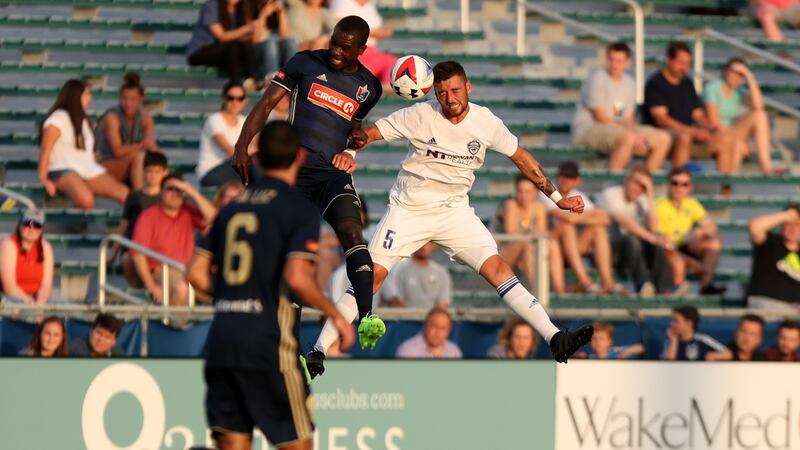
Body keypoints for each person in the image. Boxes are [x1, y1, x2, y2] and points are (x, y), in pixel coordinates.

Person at [308, 60, 593, 378]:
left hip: (454, 211)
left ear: (468, 87)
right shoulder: (419, 115)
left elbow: (521, 158)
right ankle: (319, 349)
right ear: (433, 92)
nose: (450, 98)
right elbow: (368, 134)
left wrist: (557, 198)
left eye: (456, 90)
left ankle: (555, 337)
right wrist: (351, 152)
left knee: (499, 269)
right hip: (409, 210)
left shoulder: (486, 122)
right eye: (442, 92)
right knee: (370, 278)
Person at [186, 121, 355, 450]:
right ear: (300, 157)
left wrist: (232, 295)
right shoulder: (298, 208)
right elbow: (296, 277)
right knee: (297, 444)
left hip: (222, 342)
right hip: (268, 345)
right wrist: (335, 316)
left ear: (259, 159)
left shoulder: (231, 208)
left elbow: (195, 273)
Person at [231, 16, 385, 351]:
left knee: (353, 233)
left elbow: (353, 132)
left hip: (331, 176)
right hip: (294, 175)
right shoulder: (305, 62)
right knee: (294, 258)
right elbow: (266, 103)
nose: (336, 51)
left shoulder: (369, 88)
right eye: (334, 43)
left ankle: (367, 318)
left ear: (361, 50)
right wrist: (242, 145)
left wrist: (351, 150)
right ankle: (292, 347)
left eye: (345, 48)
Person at [572, 42, 671, 172]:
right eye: (611, 59)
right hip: (589, 129)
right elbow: (600, 117)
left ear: (627, 62)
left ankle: (645, 180)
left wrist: (638, 135)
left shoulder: (628, 83)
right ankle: (613, 182)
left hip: (615, 129)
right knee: (628, 138)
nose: (614, 64)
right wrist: (633, 135)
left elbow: (624, 118)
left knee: (663, 138)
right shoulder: (597, 78)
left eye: (619, 61)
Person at [643, 42, 740, 174]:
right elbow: (661, 119)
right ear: (668, 60)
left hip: (689, 132)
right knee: (684, 138)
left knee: (724, 140)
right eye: (680, 62)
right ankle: (680, 180)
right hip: (664, 133)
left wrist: (711, 129)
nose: (684, 67)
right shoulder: (656, 83)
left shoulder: (687, 83)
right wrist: (691, 131)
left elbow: (697, 114)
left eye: (687, 63)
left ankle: (726, 185)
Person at [38, 79, 129, 209]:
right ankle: (76, 221)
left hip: (87, 169)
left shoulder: (84, 120)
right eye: (86, 94)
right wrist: (44, 179)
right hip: (62, 169)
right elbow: (45, 150)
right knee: (86, 199)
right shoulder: (57, 119)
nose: (90, 99)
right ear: (75, 97)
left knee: (126, 195)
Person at [129, 175, 216, 305]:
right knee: (182, 288)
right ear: (161, 192)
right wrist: (151, 285)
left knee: (219, 288)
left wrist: (193, 192)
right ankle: (176, 319)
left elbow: (215, 219)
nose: (175, 193)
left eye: (179, 190)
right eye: (170, 188)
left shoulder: (188, 211)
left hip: (188, 269)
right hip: (162, 270)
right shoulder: (148, 215)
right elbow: (137, 253)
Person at [542, 161, 622, 295]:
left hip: (572, 247)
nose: (565, 180)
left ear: (577, 181)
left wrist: (579, 217)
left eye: (570, 177)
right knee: (566, 226)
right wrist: (586, 215)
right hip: (552, 246)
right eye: (563, 176)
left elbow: (605, 218)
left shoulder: (577, 194)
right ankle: (585, 282)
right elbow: (567, 218)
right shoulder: (548, 193)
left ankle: (608, 282)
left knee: (598, 229)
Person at [597, 166, 674, 296]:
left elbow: (654, 228)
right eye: (636, 183)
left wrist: (650, 195)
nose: (638, 189)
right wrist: (655, 239)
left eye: (643, 186)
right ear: (626, 180)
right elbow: (626, 223)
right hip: (608, 252)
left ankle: (665, 290)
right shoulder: (610, 195)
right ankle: (643, 285)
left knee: (656, 245)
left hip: (631, 251)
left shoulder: (642, 199)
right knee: (634, 240)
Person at [704, 58, 782, 175]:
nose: (736, 76)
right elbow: (714, 123)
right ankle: (727, 183)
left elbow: (758, 105)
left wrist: (749, 75)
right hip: (713, 134)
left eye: (741, 74)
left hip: (730, 133)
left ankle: (765, 165)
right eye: (734, 72)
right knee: (736, 145)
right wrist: (737, 140)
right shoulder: (713, 87)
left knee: (760, 115)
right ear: (725, 71)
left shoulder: (739, 90)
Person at [656, 168, 726, 295]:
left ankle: (705, 286)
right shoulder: (659, 205)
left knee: (714, 244)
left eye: (684, 184)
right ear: (668, 185)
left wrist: (699, 232)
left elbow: (712, 228)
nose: (679, 188)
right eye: (675, 183)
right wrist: (691, 262)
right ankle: (678, 294)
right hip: (665, 249)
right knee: (678, 262)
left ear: (690, 188)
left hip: (681, 247)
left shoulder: (691, 204)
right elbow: (663, 241)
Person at [95, 72, 160, 190]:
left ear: (140, 99)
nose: (128, 103)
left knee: (158, 160)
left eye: (132, 99)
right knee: (138, 156)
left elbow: (150, 145)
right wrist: (141, 145)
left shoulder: (146, 119)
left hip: (131, 162)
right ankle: (139, 196)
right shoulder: (112, 118)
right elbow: (117, 151)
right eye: (124, 99)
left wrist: (152, 148)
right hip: (104, 165)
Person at [197, 82, 258, 187]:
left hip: (235, 171)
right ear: (224, 99)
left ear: (245, 101)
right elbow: (230, 151)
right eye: (231, 98)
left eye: (240, 99)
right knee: (252, 161)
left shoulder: (245, 121)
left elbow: (256, 147)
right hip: (211, 172)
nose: (235, 102)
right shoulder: (215, 120)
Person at [186, 0, 258, 85]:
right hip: (200, 51)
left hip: (225, 51)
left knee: (245, 47)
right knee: (232, 47)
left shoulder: (242, 8)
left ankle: (252, 81)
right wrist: (246, 29)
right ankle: (236, 85)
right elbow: (221, 36)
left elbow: (250, 38)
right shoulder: (212, 5)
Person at [494, 175, 547, 286]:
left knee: (552, 246)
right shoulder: (510, 205)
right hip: (501, 253)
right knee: (526, 244)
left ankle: (559, 290)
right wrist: (531, 230)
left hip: (526, 250)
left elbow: (541, 233)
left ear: (536, 192)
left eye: (527, 192)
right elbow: (512, 236)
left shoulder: (539, 207)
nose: (523, 196)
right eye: (520, 191)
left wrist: (528, 231)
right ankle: (538, 290)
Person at [329, 0, 396, 86]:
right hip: (351, 50)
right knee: (362, 71)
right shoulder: (342, 2)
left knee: (392, 62)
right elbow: (342, 29)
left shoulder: (370, 7)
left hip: (371, 50)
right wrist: (372, 33)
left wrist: (383, 32)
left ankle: (386, 89)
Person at [746, 203, 800, 309]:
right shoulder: (769, 242)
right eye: (789, 224)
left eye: (797, 225)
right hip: (765, 304)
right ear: (781, 225)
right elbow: (754, 227)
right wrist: (787, 215)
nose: (793, 229)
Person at [0, 209, 54, 304]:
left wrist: (40, 303)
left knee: (64, 306)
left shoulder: (45, 247)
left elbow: (46, 285)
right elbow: (9, 288)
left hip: (36, 299)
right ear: (19, 226)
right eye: (27, 224)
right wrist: (30, 303)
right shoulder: (9, 245)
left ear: (41, 230)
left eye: (37, 225)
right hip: (11, 298)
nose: (31, 229)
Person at [389, 242, 452, 309]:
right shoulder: (399, 270)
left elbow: (443, 303)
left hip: (432, 315)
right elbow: (394, 300)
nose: (423, 246)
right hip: (405, 315)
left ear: (434, 245)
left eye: (427, 243)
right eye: (420, 242)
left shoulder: (441, 272)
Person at [251, 0, 297, 80]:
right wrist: (263, 15)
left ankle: (290, 78)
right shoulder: (253, 6)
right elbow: (256, 39)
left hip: (276, 47)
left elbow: (284, 35)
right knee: (271, 43)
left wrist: (281, 12)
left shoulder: (281, 7)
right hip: (259, 49)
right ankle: (273, 80)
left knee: (291, 42)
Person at [396, 307, 462, 358]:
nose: (437, 333)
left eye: (442, 328)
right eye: (434, 326)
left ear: (448, 331)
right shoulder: (408, 351)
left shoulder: (454, 351)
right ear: (425, 325)